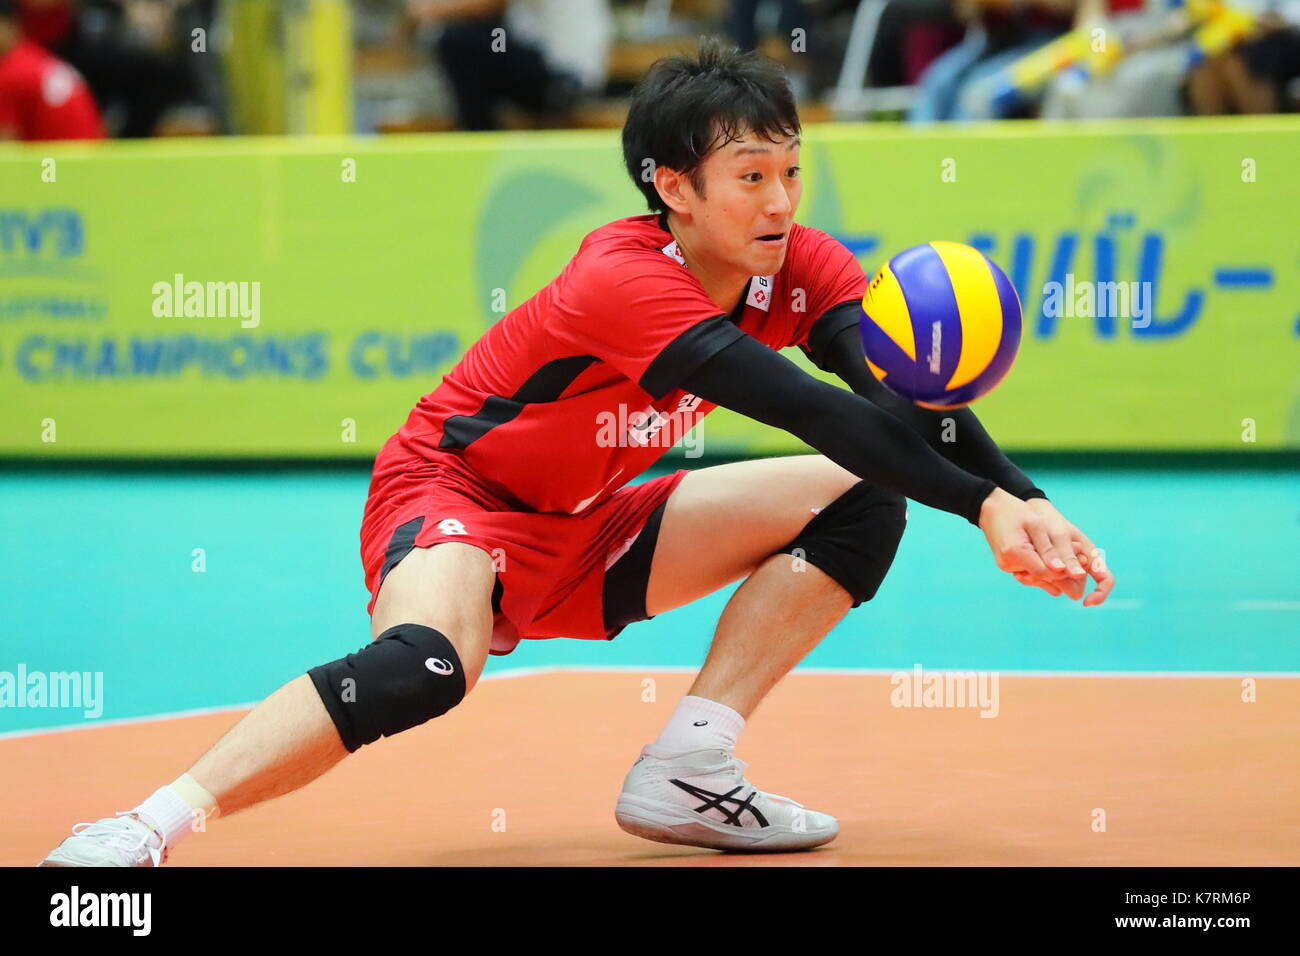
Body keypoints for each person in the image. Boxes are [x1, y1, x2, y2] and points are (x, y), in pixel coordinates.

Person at [40, 38, 1113, 866]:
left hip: (590, 518)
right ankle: (144, 827)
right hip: (454, 491)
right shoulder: (624, 279)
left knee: (859, 500)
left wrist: (1020, 494)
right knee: (422, 669)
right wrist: (981, 509)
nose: (780, 201)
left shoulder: (800, 260)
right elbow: (810, 408)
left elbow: (893, 396)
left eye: (791, 170)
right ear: (671, 186)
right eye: (750, 176)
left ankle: (690, 767)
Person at [0, 0, 103, 140]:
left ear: (10, 25)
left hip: (58, 158)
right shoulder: (32, 58)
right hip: (94, 154)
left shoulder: (10, 73)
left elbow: (6, 147)